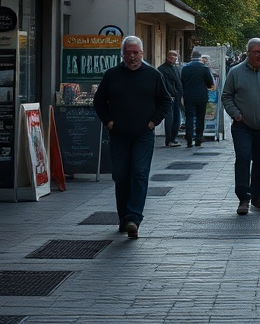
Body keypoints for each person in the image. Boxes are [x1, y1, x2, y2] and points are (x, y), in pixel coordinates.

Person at [92, 35, 172, 239]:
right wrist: (109, 122)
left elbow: (165, 102)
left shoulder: (153, 75)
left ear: (142, 53)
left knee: (139, 172)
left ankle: (134, 218)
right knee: (120, 175)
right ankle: (124, 216)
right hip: (119, 135)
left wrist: (152, 122)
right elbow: (99, 102)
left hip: (143, 135)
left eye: (136, 53)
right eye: (128, 53)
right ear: (122, 54)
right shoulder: (112, 75)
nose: (132, 57)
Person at [221, 37, 260, 215]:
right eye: (255, 52)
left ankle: (256, 195)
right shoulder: (236, 72)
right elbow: (226, 96)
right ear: (247, 53)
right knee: (243, 158)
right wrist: (235, 113)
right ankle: (243, 198)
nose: (259, 55)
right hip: (242, 125)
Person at [180, 48, 215, 147]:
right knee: (200, 117)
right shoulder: (203, 68)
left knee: (189, 117)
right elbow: (210, 83)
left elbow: (182, 81)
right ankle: (199, 137)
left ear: (191, 57)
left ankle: (189, 138)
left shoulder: (185, 68)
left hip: (188, 95)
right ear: (200, 58)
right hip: (201, 96)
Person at [156, 50, 183, 148]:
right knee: (170, 118)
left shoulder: (175, 68)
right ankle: (169, 139)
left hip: (176, 96)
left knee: (177, 118)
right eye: (172, 56)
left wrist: (181, 94)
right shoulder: (162, 69)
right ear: (168, 57)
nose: (174, 58)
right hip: (169, 97)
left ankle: (172, 139)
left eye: (175, 56)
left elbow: (178, 82)